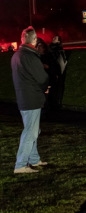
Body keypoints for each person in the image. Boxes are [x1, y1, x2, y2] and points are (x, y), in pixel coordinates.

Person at [11, 26, 50, 175]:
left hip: (23, 98)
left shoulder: (17, 55)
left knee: (33, 129)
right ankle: (20, 164)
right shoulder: (30, 56)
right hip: (31, 98)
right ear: (34, 40)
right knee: (30, 132)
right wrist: (45, 87)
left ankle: (33, 159)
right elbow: (42, 77)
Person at [49, 34, 68, 110]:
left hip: (56, 72)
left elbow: (60, 62)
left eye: (55, 38)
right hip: (52, 71)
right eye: (53, 37)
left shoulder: (58, 50)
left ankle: (56, 103)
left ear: (59, 41)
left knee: (56, 87)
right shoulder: (51, 48)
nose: (53, 38)